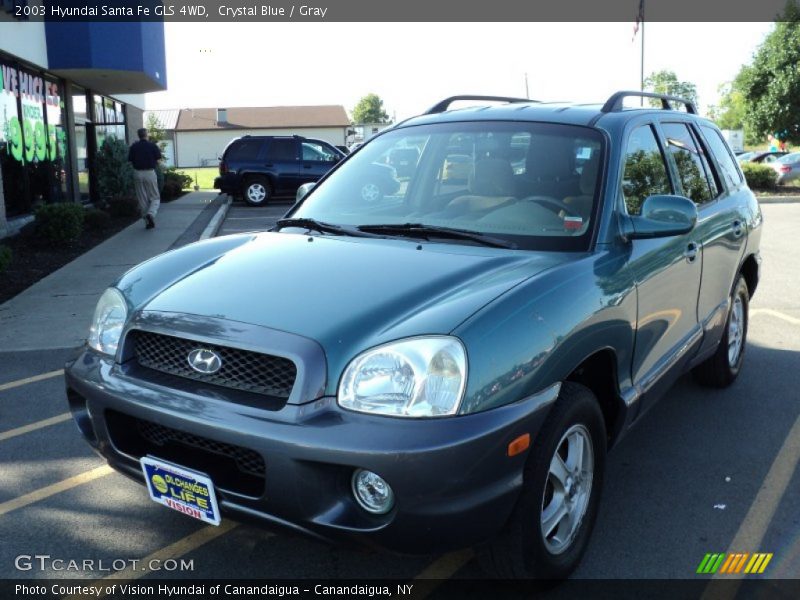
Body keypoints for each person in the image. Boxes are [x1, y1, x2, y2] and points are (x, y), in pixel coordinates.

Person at [128, 128, 162, 229]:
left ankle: (147, 221)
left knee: (142, 198)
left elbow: (130, 160)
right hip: (149, 172)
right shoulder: (152, 146)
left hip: (137, 173)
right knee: (155, 197)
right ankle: (151, 214)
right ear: (146, 135)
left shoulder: (134, 147)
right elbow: (158, 159)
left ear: (138, 135)